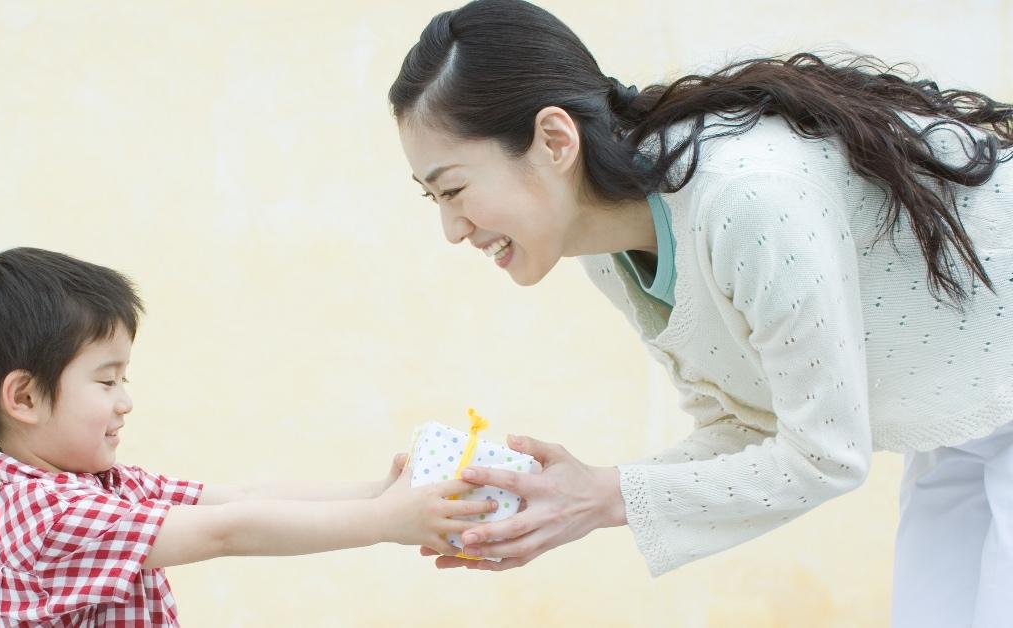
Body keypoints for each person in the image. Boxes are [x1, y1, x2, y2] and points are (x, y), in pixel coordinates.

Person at [388, 1, 1013, 625]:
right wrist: (570, 497)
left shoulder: (745, 198)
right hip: (964, 415)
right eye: (433, 198)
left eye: (454, 190)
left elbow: (825, 455)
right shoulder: (605, 239)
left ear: (554, 140)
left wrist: (605, 497)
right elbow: (747, 422)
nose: (451, 228)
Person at [0, 247, 492, 626]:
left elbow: (239, 499)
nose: (125, 400)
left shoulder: (100, 486)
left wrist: (377, 491)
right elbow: (226, 531)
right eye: (107, 379)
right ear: (25, 398)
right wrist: (385, 522)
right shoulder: (50, 517)